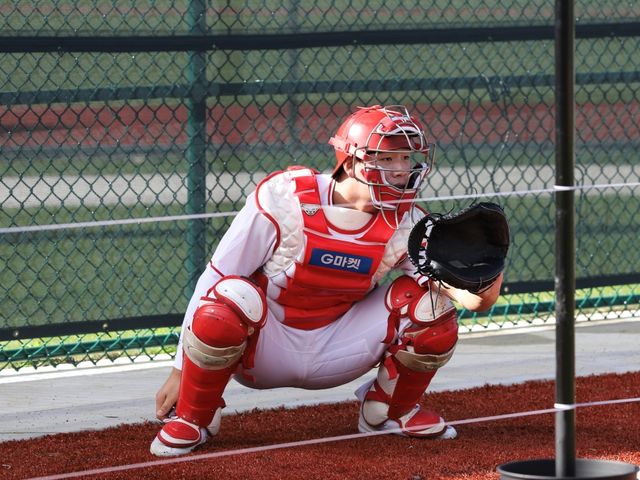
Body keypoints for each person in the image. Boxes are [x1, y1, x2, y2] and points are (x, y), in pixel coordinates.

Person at [150, 104, 503, 456]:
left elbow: (474, 301)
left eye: (407, 159)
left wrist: (488, 265)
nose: (401, 170)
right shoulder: (284, 199)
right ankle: (194, 415)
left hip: (340, 348)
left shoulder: (408, 223)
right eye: (387, 159)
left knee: (431, 309)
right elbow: (216, 276)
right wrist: (180, 370)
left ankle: (387, 412)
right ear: (350, 164)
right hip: (264, 349)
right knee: (230, 295)